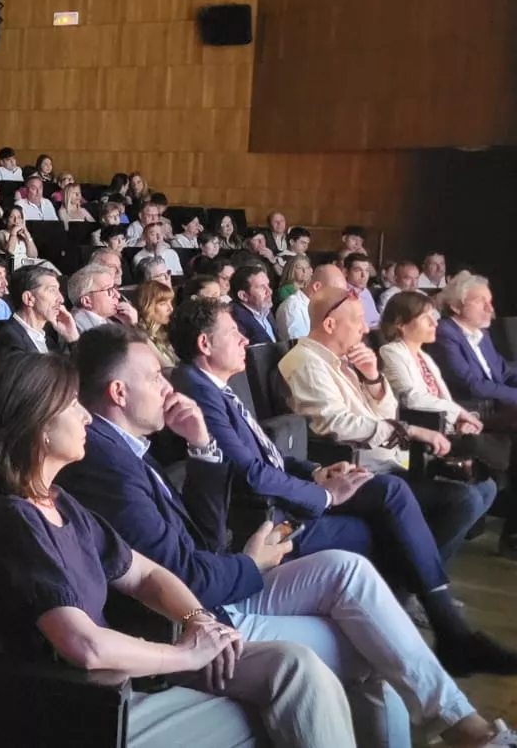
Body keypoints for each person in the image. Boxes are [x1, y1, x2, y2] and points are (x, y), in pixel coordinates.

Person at [62, 324, 517, 745]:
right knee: (376, 646)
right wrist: (252, 563)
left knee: (348, 568)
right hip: (192, 615)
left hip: (218, 579)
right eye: (155, 377)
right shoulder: (107, 466)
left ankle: (458, 721)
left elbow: (203, 535)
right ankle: (463, 725)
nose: (168, 386)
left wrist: (202, 448)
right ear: (118, 392)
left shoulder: (127, 446)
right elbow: (183, 575)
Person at [0, 352, 355, 748]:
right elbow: (84, 646)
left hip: (129, 674)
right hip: (84, 708)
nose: (87, 415)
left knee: (294, 668)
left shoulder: (58, 501)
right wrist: (184, 654)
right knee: (271, 713)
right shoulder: (12, 518)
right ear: (37, 425)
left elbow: (145, 574)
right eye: (72, 405)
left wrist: (198, 621)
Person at [171, 297, 517, 680]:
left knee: (397, 504)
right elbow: (252, 473)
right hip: (265, 519)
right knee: (388, 507)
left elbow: (266, 455)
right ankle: (443, 632)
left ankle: (436, 632)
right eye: (234, 332)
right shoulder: (198, 390)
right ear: (206, 345)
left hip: (302, 487)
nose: (243, 340)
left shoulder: (216, 385)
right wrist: (325, 495)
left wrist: (317, 472)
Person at [280, 285, 497, 568]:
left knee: (484, 486)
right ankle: (409, 585)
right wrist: (409, 430)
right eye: (357, 319)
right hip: (358, 468)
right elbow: (334, 424)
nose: (366, 328)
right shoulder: (307, 363)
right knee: (463, 500)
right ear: (330, 324)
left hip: (389, 459)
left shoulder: (341, 359)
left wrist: (372, 378)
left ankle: (415, 578)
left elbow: (385, 412)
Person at [380, 290, 516, 552]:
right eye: (426, 318)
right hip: (421, 436)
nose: (434, 323)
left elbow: (443, 398)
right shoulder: (392, 352)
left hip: (447, 428)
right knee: (498, 457)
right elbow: (412, 398)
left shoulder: (425, 357)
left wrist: (461, 419)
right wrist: (459, 414)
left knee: (487, 486)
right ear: (400, 323)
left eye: (434, 317)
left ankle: (432, 560)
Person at [428, 272, 517, 411]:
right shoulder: (444, 334)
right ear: (456, 306)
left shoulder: (481, 332)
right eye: (481, 302)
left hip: (497, 406)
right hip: (472, 411)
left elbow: (503, 371)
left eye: (490, 302)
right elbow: (472, 385)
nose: (490, 309)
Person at [0, 265, 80, 356]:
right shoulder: (9, 339)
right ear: (28, 298)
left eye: (58, 290)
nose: (61, 299)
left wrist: (72, 338)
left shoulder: (49, 342)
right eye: (52, 290)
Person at [276, 262, 344, 342]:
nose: (338, 300)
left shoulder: (321, 308)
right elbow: (301, 349)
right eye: (335, 294)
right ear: (317, 287)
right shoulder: (293, 307)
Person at [67, 263, 137, 332]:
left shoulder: (107, 322)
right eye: (109, 290)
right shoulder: (78, 329)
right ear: (87, 301)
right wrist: (133, 327)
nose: (117, 295)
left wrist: (129, 324)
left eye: (115, 288)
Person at [229, 264, 277, 346]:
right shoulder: (234, 319)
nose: (269, 291)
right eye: (262, 287)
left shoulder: (264, 308)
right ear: (243, 296)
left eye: (268, 285)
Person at [136, 280, 178, 367]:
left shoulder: (162, 333)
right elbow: (168, 368)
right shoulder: (140, 337)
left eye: (170, 302)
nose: (170, 309)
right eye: (163, 304)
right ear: (148, 306)